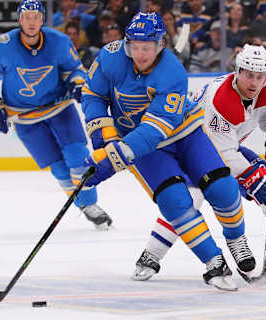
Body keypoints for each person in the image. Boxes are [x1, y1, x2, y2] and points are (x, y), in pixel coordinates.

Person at [81, 12, 255, 291]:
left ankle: (236, 239)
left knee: (222, 189)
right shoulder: (109, 56)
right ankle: (214, 262)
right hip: (141, 145)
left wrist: (117, 155)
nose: (140, 54)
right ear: (126, 43)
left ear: (160, 44)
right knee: (174, 201)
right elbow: (92, 94)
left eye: (147, 47)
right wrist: (105, 138)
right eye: (135, 47)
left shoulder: (172, 72)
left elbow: (155, 129)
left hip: (184, 133)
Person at [132, 44, 266, 282]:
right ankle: (151, 255)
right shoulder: (220, 100)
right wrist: (253, 176)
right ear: (237, 72)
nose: (254, 82)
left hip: (223, 148)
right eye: (249, 75)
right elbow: (221, 155)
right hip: (189, 149)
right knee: (189, 200)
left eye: (259, 76)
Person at [0, 0, 112, 230]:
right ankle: (82, 205)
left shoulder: (58, 41)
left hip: (59, 107)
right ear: (19, 20)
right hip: (24, 117)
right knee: (58, 167)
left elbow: (74, 69)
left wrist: (78, 83)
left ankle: (90, 204)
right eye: (26, 17)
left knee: (77, 156)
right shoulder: (2, 46)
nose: (31, 21)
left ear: (42, 20)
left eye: (35, 17)